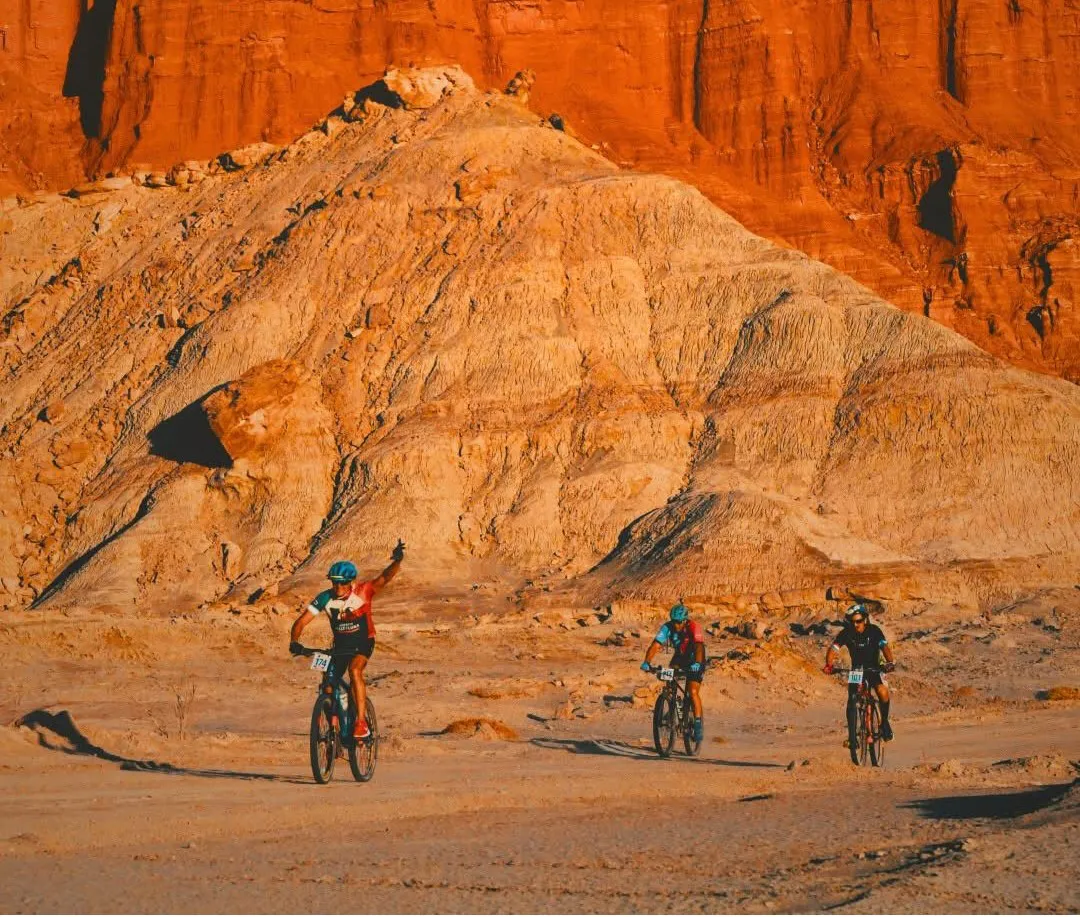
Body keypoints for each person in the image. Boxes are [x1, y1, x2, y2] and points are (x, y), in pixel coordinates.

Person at [290, 540, 405, 740]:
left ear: (350, 582)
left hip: (363, 643)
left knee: (354, 670)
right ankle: (332, 730)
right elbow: (301, 622)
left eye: (342, 583)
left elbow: (385, 577)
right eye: (335, 582)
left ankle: (360, 723)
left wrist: (398, 560)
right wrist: (295, 642)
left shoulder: (363, 591)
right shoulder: (325, 598)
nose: (338, 587)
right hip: (340, 646)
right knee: (327, 685)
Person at [823, 603, 896, 745]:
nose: (856, 624)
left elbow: (884, 647)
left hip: (874, 668)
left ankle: (884, 723)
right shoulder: (846, 633)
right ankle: (852, 738)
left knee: (882, 691)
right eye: (853, 622)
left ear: (865, 620)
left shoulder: (874, 631)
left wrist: (890, 662)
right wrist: (829, 665)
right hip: (856, 670)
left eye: (859, 621)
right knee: (852, 699)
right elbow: (833, 649)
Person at [641, 602, 706, 742]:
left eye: (678, 622)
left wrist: (698, 663)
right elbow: (655, 645)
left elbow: (699, 646)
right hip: (680, 657)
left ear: (684, 620)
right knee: (670, 677)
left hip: (696, 657)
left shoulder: (694, 627)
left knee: (693, 691)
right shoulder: (667, 627)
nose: (675, 625)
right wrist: (647, 662)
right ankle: (671, 705)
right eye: (673, 621)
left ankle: (698, 723)